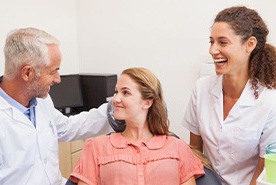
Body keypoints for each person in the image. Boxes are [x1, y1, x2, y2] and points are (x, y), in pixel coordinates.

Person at [0, 27, 113, 185]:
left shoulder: (41, 100)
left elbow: (67, 127)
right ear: (27, 73)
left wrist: (114, 110)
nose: (58, 79)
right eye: (53, 71)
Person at [182, 6, 276, 185]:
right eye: (211, 42)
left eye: (222, 42)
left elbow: (263, 170)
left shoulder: (270, 102)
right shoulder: (202, 88)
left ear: (250, 44)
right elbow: (194, 149)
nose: (212, 50)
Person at [68, 67, 205, 185]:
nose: (115, 99)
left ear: (147, 102)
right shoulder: (95, 148)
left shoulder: (178, 148)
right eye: (116, 92)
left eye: (125, 92)